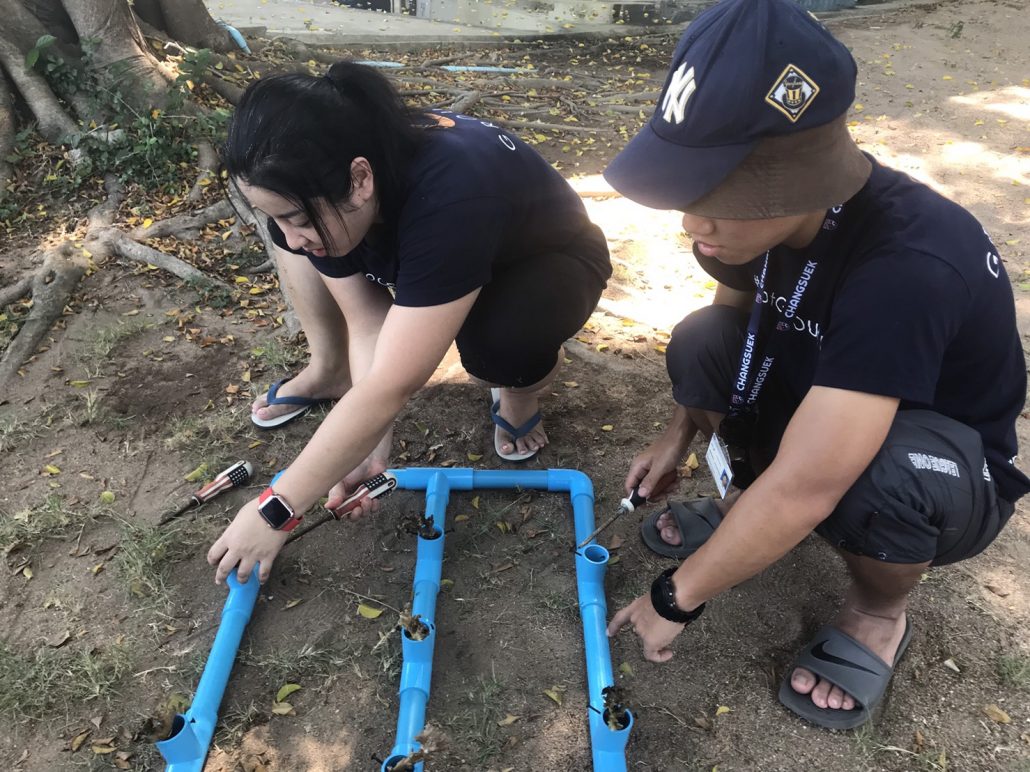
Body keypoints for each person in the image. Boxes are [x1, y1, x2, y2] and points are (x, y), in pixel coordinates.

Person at [604, 0, 1028, 731]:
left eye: (714, 196)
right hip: (821, 403)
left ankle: (877, 613)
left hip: (939, 466)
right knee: (703, 339)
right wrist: (676, 438)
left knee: (873, 474)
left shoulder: (908, 266)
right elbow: (734, 321)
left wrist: (677, 596)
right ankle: (746, 509)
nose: (690, 223)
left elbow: (814, 482)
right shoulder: (745, 230)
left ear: (795, 174)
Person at [208, 62, 610, 582]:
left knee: (497, 347)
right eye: (275, 217)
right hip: (445, 245)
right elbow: (369, 321)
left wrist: (276, 508)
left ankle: (521, 390)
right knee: (308, 254)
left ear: (360, 179)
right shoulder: (324, 171)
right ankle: (328, 370)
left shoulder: (453, 196)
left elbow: (394, 383)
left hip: (546, 261)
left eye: (300, 218)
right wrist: (368, 440)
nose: (288, 234)